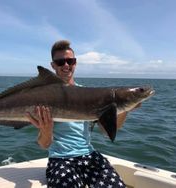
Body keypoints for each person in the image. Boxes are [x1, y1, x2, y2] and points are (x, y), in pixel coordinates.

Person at [26, 40, 135, 188]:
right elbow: (43, 144)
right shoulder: (47, 99)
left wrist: (126, 108)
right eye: (60, 62)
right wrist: (46, 130)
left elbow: (104, 131)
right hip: (60, 160)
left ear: (75, 63)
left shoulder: (88, 94)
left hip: (89, 156)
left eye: (70, 61)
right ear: (53, 65)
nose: (66, 65)